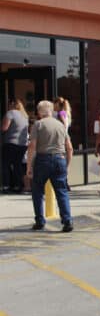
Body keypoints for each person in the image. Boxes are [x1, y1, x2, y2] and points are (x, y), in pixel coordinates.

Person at [26, 101, 74, 232]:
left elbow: (32, 146)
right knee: (61, 191)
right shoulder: (61, 125)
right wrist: (67, 165)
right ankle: (67, 221)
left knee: (37, 191)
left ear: (39, 112)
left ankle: (40, 221)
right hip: (60, 159)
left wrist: (29, 167)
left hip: (43, 159)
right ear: (51, 111)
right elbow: (69, 148)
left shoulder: (38, 124)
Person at [2, 99, 29, 193]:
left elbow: (4, 127)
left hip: (11, 143)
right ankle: (18, 186)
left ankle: (6, 186)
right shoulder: (25, 116)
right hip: (22, 144)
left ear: (12, 105)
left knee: (5, 164)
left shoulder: (10, 113)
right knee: (17, 165)